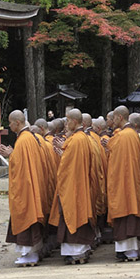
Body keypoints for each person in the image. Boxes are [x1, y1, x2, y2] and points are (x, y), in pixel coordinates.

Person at [0, 111, 51, 266]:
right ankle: (30, 253)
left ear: (17, 122)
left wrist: (11, 155)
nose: (9, 125)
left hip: (26, 188)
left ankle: (28, 254)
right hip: (32, 185)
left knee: (25, 215)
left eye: (10, 122)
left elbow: (20, 165)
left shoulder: (23, 140)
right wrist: (13, 154)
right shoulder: (32, 138)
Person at [48, 109, 96, 264]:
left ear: (74, 121)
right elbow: (72, 160)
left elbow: (68, 167)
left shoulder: (76, 140)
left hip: (73, 187)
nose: (66, 125)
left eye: (68, 121)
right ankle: (81, 250)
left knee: (72, 215)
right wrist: (64, 151)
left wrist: (64, 153)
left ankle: (76, 252)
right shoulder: (81, 138)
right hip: (79, 185)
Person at [106, 106, 140, 261]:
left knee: (124, 212)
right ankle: (132, 250)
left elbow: (115, 163)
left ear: (119, 117)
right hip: (133, 182)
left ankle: (127, 250)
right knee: (132, 213)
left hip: (123, 183)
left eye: (114, 118)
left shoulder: (122, 136)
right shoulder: (133, 135)